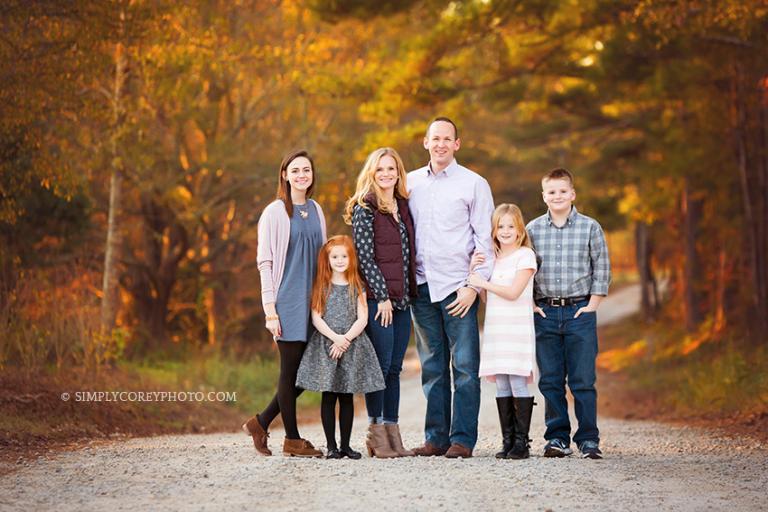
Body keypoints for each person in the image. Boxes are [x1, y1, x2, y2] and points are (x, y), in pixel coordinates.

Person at [407, 117, 495, 458]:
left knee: (465, 368)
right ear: (425, 142)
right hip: (422, 287)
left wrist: (473, 287)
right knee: (431, 368)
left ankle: (462, 440)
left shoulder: (474, 183)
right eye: (435, 138)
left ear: (457, 144)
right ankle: (436, 439)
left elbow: (484, 242)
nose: (441, 144)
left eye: (448, 139)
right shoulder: (410, 182)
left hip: (459, 289)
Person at [242, 149, 326, 458]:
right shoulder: (274, 212)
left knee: (311, 372)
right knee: (290, 371)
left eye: (306, 170)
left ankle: (261, 421)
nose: (302, 175)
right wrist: (270, 311)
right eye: (295, 170)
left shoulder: (316, 209)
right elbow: (265, 263)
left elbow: (324, 259)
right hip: (287, 302)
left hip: (314, 302)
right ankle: (292, 438)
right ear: (285, 175)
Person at [526, 167, 611, 460]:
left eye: (563, 191)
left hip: (579, 311)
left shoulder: (590, 227)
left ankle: (588, 439)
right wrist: (531, 303)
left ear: (572, 194)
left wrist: (593, 305)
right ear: (544, 196)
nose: (557, 196)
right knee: (550, 379)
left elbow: (602, 266)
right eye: (551, 192)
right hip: (546, 312)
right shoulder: (532, 230)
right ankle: (557, 438)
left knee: (582, 380)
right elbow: (524, 268)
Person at [344, 147, 417, 458]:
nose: (387, 174)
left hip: (403, 300)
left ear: (398, 172)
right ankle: (376, 435)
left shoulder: (403, 206)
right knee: (380, 367)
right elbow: (365, 258)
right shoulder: (364, 208)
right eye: (381, 169)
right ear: (371, 173)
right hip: (379, 301)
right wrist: (383, 297)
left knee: (395, 368)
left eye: (392, 169)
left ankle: (393, 435)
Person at [295, 235, 385, 459]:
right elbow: (316, 318)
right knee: (329, 395)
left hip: (351, 345)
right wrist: (335, 338)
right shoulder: (322, 285)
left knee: (346, 396)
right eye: (335, 256)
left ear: (351, 258)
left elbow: (363, 318)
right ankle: (332, 447)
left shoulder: (357, 285)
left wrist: (345, 341)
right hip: (327, 345)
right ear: (327, 259)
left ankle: (346, 445)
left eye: (344, 256)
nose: (340, 260)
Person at [468, 204, 537, 460]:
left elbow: (513, 292)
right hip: (497, 328)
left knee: (517, 379)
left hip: (516, 328)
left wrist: (483, 282)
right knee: (502, 383)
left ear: (520, 229)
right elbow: (487, 298)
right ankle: (507, 441)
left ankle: (522, 443)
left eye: (511, 226)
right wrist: (474, 269)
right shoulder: (493, 259)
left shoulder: (525, 256)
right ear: (493, 231)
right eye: (500, 226)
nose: (505, 231)